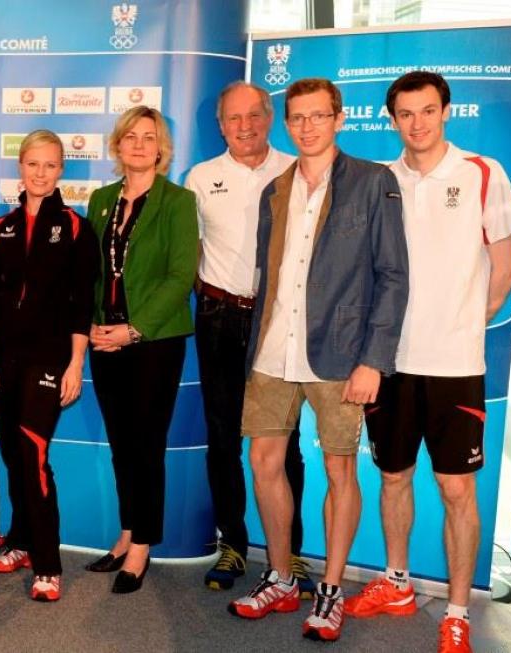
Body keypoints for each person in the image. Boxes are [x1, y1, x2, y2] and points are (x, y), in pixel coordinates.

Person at [344, 71, 511, 653]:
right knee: (393, 476)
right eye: (405, 114)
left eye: (427, 111)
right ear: (392, 120)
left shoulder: (482, 172)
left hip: (454, 364)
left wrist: (463, 324)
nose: (416, 123)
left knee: (455, 489)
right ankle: (396, 582)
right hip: (389, 363)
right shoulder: (379, 180)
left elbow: (505, 268)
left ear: (446, 111)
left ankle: (458, 609)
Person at [228, 78, 408, 644]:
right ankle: (281, 577)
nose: (307, 127)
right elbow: (269, 271)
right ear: (287, 123)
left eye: (318, 116)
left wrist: (373, 359)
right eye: (297, 118)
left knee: (337, 469)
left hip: (343, 353)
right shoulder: (275, 190)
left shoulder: (374, 182)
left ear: (338, 119)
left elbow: (393, 275)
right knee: (263, 462)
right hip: (273, 348)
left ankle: (329, 590)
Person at [184, 82, 314, 597]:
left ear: (270, 118)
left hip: (279, 320)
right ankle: (233, 543)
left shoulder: (295, 170)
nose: (244, 126)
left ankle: (293, 554)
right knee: (222, 438)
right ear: (221, 125)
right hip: (219, 318)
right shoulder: (201, 176)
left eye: (254, 116)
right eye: (233, 118)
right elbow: (187, 254)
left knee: (286, 443)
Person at [0, 130, 98, 602]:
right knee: (12, 453)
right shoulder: (0, 228)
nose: (41, 173)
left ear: (61, 170)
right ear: (20, 168)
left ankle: (48, 563)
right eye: (33, 165)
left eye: (50, 166)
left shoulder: (73, 227)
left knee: (34, 454)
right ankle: (21, 539)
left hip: (50, 358)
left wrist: (75, 364)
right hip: (5, 356)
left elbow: (80, 302)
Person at [84, 106, 199, 595]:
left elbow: (180, 276)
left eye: (148, 137)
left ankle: (143, 545)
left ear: (161, 148)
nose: (137, 144)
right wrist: (90, 323)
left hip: (154, 341)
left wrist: (135, 329)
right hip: (103, 338)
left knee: (146, 445)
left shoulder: (178, 201)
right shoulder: (101, 199)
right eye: (129, 136)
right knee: (121, 444)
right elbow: (91, 267)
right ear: (117, 144)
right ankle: (128, 530)